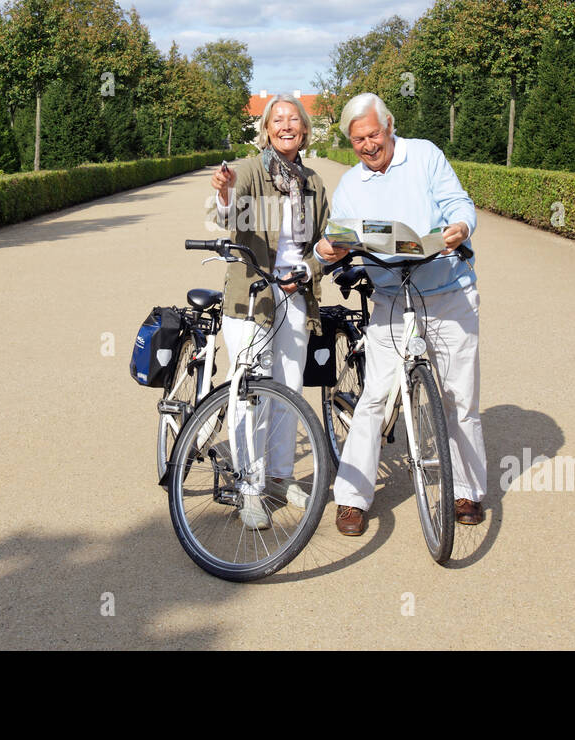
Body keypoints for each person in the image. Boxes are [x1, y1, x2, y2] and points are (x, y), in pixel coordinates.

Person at [315, 92, 487, 537]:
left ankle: (466, 491)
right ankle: (351, 498)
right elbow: (335, 237)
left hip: (447, 290)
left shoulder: (425, 155)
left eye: (373, 134)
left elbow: (458, 203)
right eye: (358, 140)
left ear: (389, 124)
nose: (368, 145)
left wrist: (460, 227)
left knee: (459, 399)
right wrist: (331, 248)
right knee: (375, 396)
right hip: (391, 297)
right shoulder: (352, 183)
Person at [208, 93, 331, 529]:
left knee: (289, 389)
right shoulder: (246, 171)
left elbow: (324, 242)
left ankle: (280, 477)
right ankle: (248, 486)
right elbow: (224, 213)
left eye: (293, 120)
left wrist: (312, 266)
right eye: (277, 120)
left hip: (296, 296)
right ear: (266, 128)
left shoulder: (313, 182)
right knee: (250, 394)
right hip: (252, 295)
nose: (285, 126)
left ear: (303, 130)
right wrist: (223, 193)